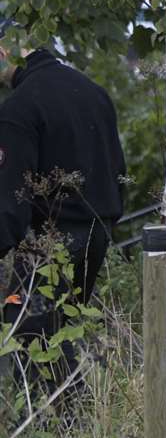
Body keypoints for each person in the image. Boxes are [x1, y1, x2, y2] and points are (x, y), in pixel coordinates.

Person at [0, 27, 127, 412]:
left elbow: (10, 196)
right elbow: (117, 169)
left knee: (27, 329)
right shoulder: (92, 91)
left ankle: (62, 429)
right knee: (58, 331)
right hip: (97, 233)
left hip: (50, 240)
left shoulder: (19, 108)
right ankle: (75, 429)